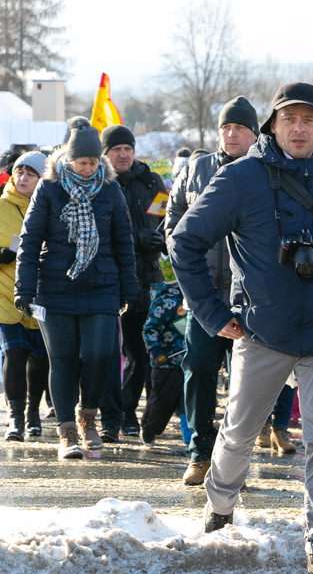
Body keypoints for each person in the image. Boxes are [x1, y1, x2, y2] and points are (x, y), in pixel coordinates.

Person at [168, 82, 313, 574]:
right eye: (289, 119)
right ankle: (221, 507)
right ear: (273, 125)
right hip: (261, 333)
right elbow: (184, 242)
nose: (299, 128)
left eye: (309, 120)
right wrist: (213, 315)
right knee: (239, 433)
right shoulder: (241, 178)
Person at [14, 117, 137, 459]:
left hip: (102, 285)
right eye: (82, 162)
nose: (87, 169)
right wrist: (24, 287)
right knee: (64, 358)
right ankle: (67, 430)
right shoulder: (50, 188)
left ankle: (89, 416)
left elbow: (123, 241)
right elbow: (29, 239)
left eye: (94, 162)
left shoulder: (110, 189)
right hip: (54, 287)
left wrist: (129, 286)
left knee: (100, 355)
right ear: (68, 160)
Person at [164, 96, 260, 486]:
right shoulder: (197, 169)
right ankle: (200, 453)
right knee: (199, 370)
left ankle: (236, 458)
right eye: (225, 128)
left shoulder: (263, 170)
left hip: (250, 299)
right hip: (204, 297)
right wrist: (190, 275)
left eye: (238, 128)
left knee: (248, 383)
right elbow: (172, 225)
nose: (231, 134)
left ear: (255, 133)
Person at [99, 124, 167, 440]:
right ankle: (115, 413)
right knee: (113, 355)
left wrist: (162, 239)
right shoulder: (101, 183)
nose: (123, 154)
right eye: (117, 149)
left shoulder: (153, 181)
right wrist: (141, 238)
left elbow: (164, 218)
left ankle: (136, 413)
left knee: (143, 353)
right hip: (112, 279)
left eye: (128, 148)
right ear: (106, 154)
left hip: (149, 278)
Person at [0, 151, 49, 440]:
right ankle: (15, 418)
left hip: (41, 295)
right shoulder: (1, 206)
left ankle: (33, 413)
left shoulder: (50, 205)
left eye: (31, 173)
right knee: (14, 352)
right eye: (19, 172)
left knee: (41, 358)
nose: (23, 178)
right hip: (5, 295)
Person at [139, 255, 186, 446]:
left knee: (189, 403)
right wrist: (157, 352)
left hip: (189, 361)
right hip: (166, 362)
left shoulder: (194, 298)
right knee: (161, 403)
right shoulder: (164, 301)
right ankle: (149, 428)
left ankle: (190, 438)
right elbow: (150, 329)